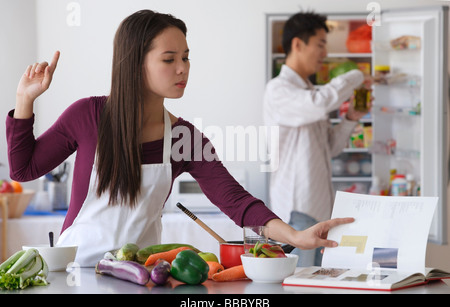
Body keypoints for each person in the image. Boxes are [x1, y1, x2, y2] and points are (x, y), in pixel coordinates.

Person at [7, 9, 353, 267]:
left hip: (140, 274)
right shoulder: (88, 116)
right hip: (75, 271)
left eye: (186, 57)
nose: (183, 68)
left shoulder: (185, 137)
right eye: (169, 59)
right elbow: (23, 170)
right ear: (134, 62)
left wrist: (294, 236)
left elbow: (235, 200)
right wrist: (25, 100)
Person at [263, 12, 370, 266]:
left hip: (318, 208)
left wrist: (351, 118)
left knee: (311, 282)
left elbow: (330, 148)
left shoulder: (308, 93)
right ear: (298, 44)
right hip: (297, 210)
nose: (325, 53)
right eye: (320, 44)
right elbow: (322, 103)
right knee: (295, 282)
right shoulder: (279, 90)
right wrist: (357, 75)